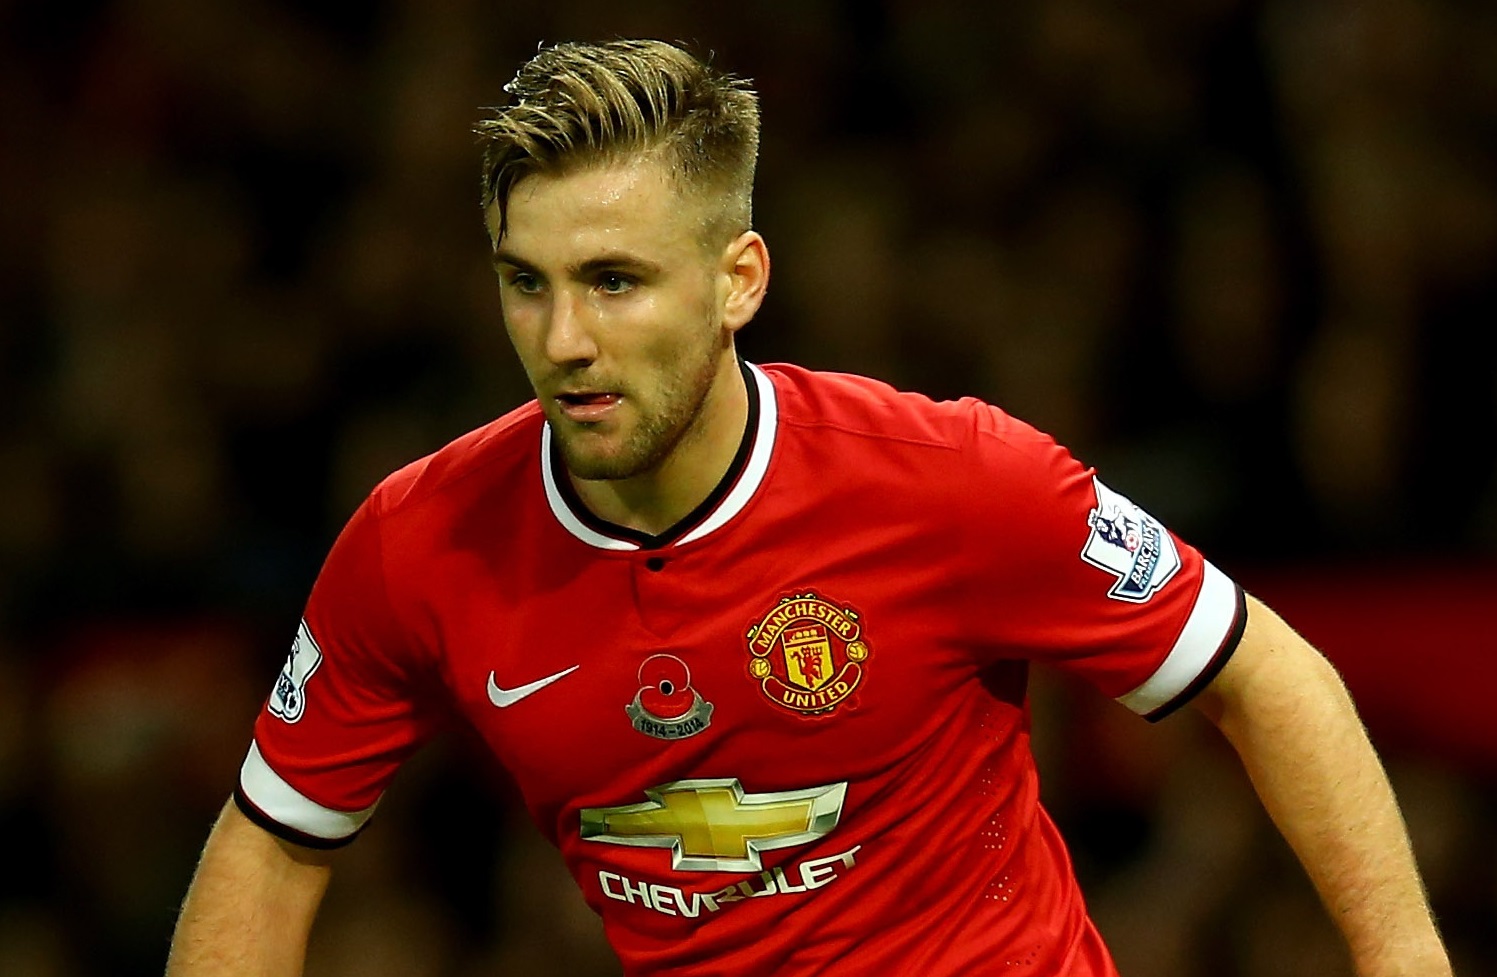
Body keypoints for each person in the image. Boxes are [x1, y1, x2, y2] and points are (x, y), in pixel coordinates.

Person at [166, 39, 1453, 977]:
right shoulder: (418, 541)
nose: (561, 339)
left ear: (739, 280)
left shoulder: (954, 479)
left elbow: (1264, 671)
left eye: (614, 281)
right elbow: (271, 840)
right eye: (526, 281)